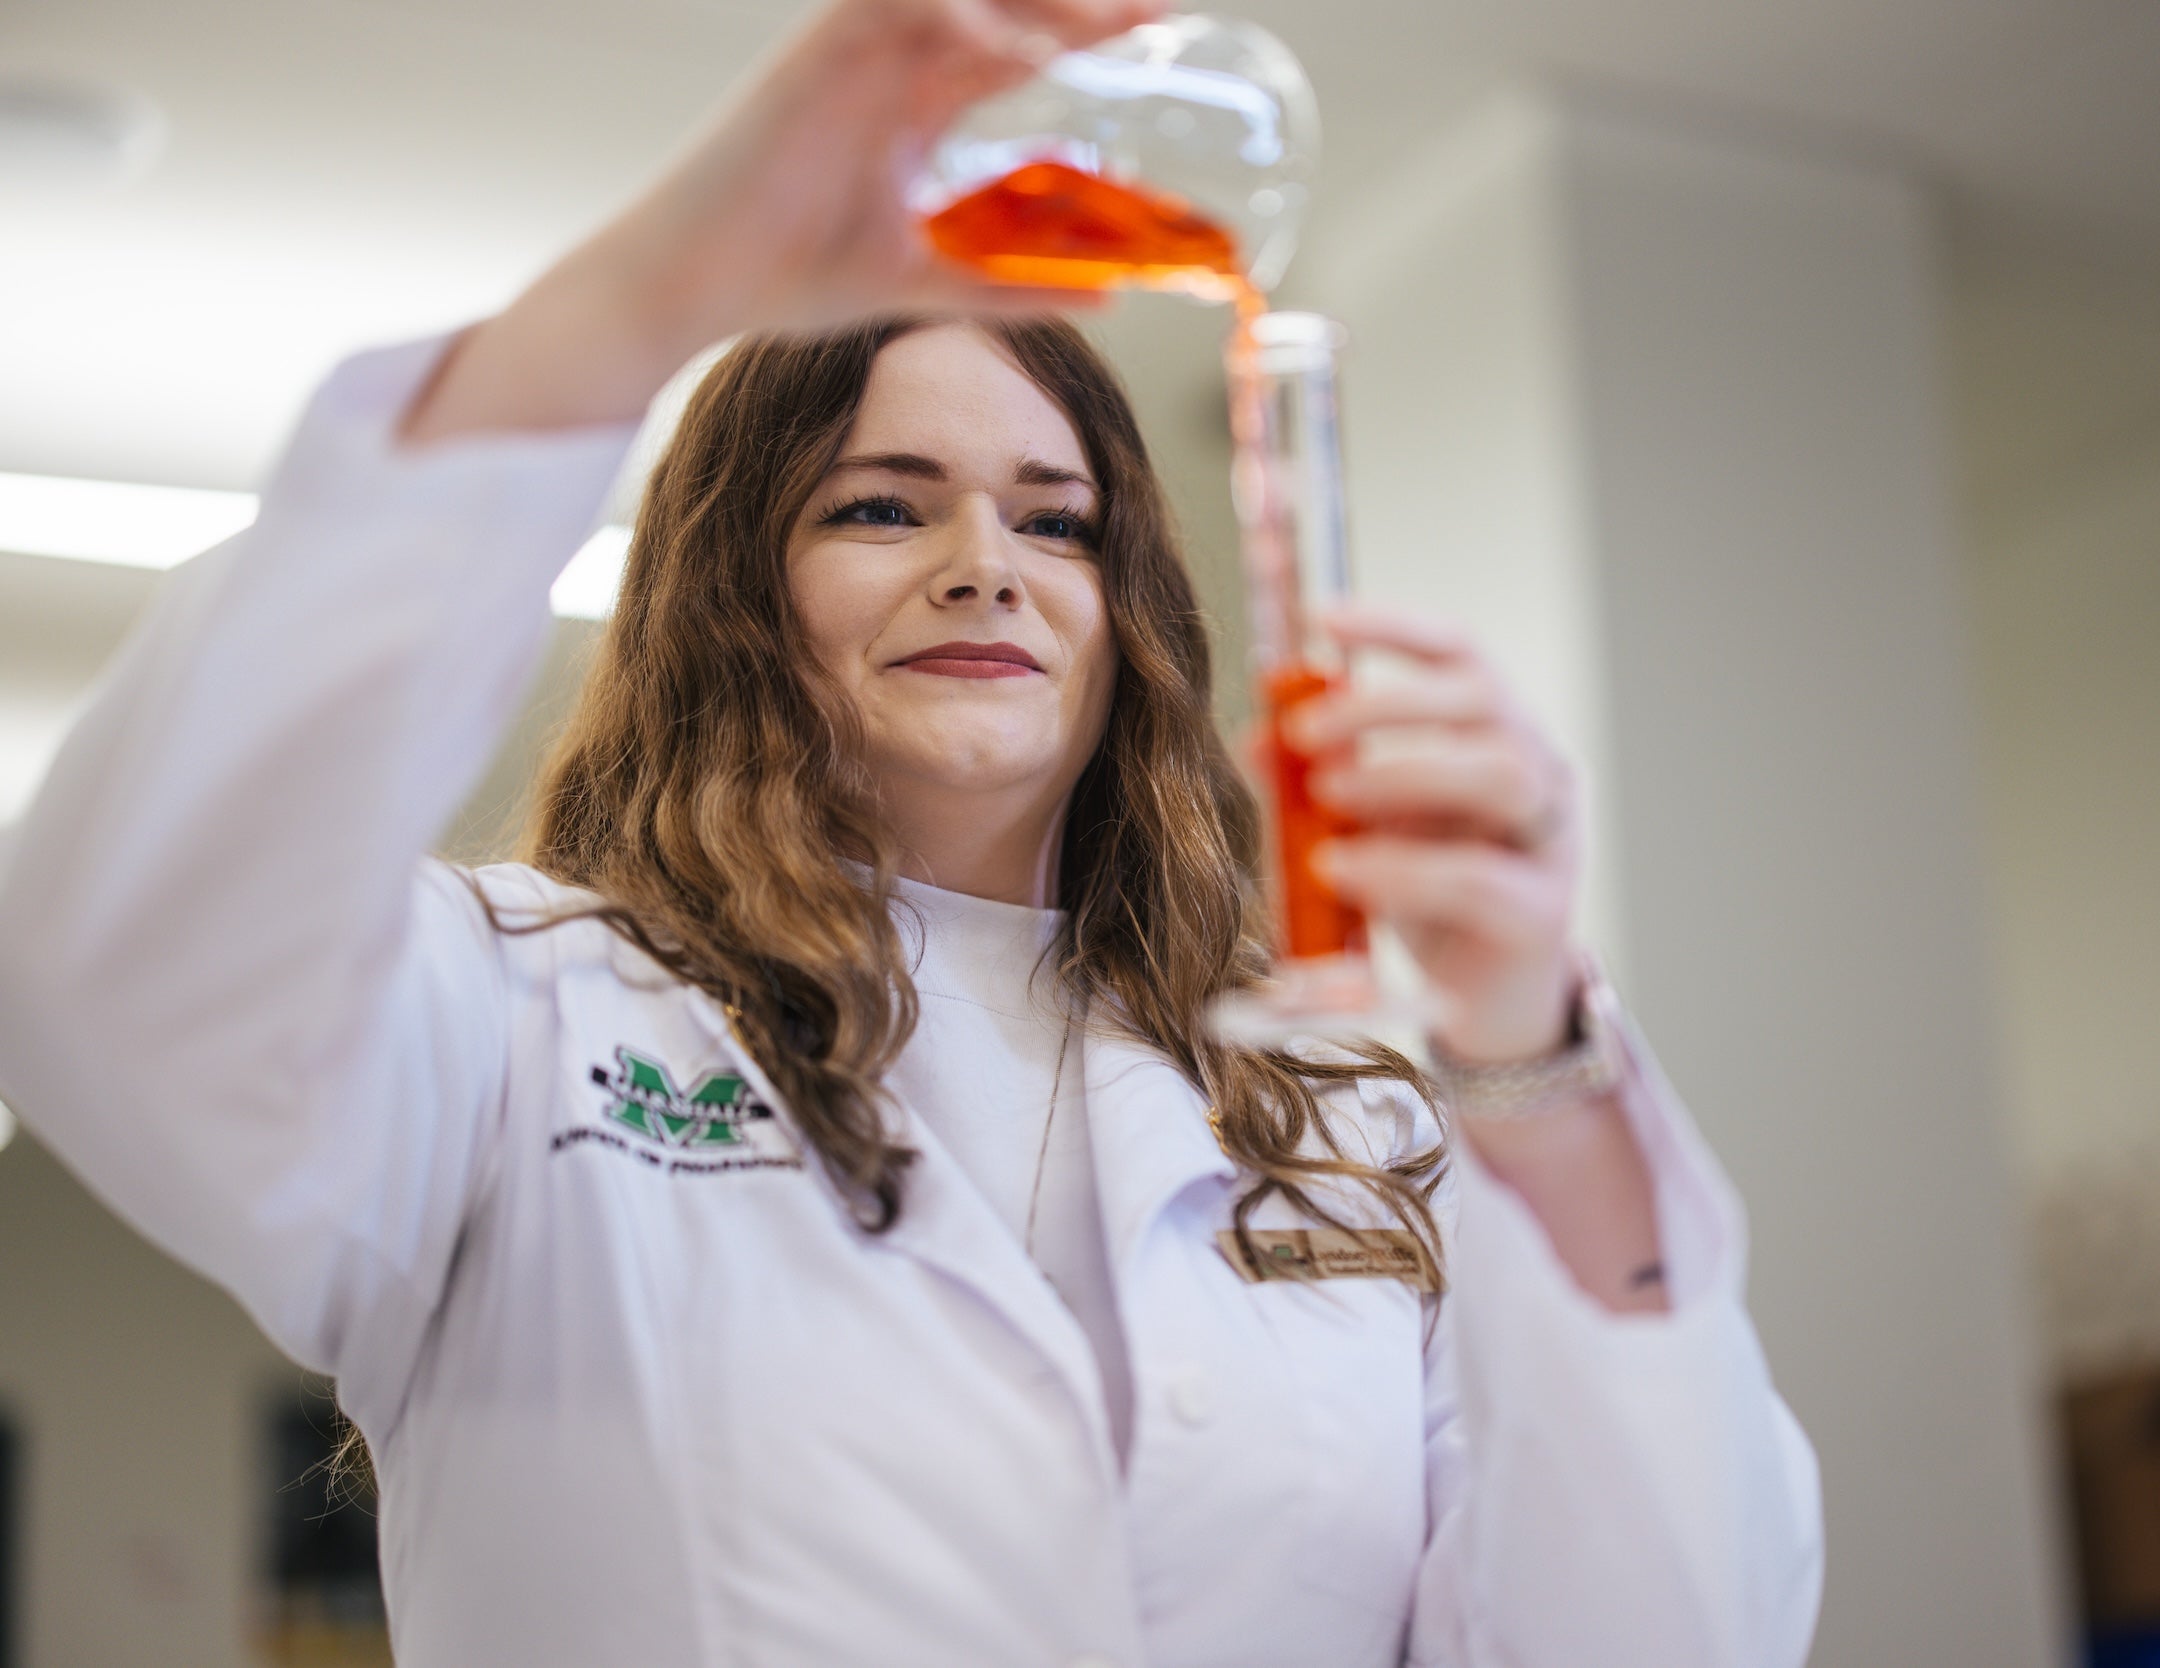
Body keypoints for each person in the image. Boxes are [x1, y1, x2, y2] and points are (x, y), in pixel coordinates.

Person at [0, 0, 1823, 1663]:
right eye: (882, 505)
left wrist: (1536, 1066)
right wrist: (644, 296)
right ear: (730, 590)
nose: (985, 568)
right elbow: (126, 965)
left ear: (1134, 620)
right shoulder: (517, 1022)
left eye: (1058, 522)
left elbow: (1674, 1633)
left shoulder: (1348, 1120)